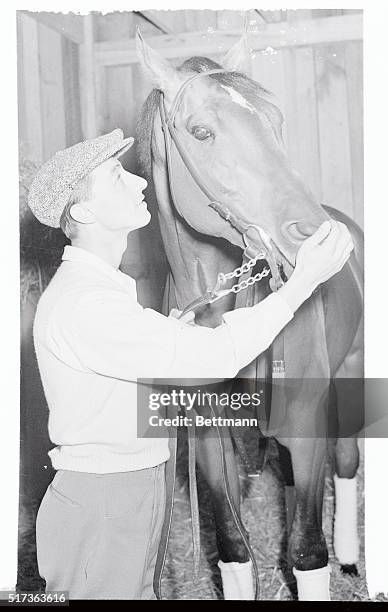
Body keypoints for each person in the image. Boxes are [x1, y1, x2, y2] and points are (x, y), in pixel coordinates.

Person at [28, 129, 353, 600]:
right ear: (84, 212)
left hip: (130, 490)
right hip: (106, 500)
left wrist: (169, 336)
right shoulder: (86, 305)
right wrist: (302, 283)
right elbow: (217, 358)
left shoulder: (103, 295)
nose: (139, 184)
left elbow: (140, 370)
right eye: (118, 177)